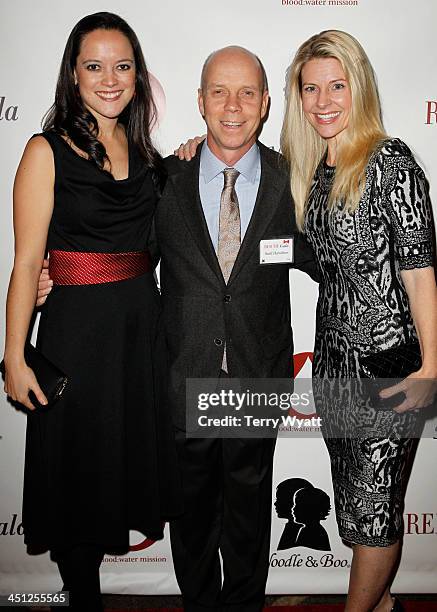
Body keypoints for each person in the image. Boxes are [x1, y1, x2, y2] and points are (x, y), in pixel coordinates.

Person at [2, 12, 181, 612]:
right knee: (76, 479)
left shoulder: (150, 158)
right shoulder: (45, 150)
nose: (110, 79)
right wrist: (13, 358)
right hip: (75, 338)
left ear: (138, 75)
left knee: (119, 474)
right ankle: (84, 601)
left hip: (139, 341)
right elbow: (28, 264)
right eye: (95, 66)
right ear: (72, 75)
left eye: (123, 66)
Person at [280, 30, 437, 612]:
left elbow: (421, 270)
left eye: (337, 86)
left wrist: (432, 366)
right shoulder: (312, 171)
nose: (323, 101)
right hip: (333, 365)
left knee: (375, 511)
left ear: (359, 88)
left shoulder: (389, 162)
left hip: (389, 368)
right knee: (353, 501)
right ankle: (383, 603)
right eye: (311, 88)